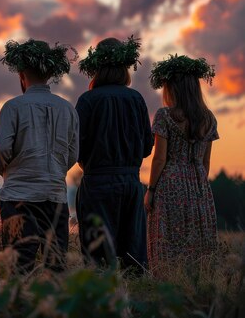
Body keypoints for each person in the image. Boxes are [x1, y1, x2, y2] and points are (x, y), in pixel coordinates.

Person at [0, 39, 79, 274]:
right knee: (56, 270)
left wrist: (7, 171)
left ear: (22, 75)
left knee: (18, 271)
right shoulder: (67, 109)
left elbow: (3, 149)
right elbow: (73, 154)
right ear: (50, 73)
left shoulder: (12, 108)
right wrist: (55, 171)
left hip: (18, 197)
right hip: (55, 198)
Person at [75, 36, 153, 271]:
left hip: (96, 184)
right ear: (124, 66)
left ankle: (101, 304)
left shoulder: (87, 100)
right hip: (131, 184)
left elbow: (75, 146)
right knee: (134, 261)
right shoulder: (136, 99)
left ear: (96, 67)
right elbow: (147, 146)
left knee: (97, 261)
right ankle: (135, 306)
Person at [145, 55, 219, 273]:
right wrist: (197, 184)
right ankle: (195, 280)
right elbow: (206, 161)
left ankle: (168, 279)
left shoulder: (164, 116)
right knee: (196, 237)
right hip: (198, 183)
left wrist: (150, 189)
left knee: (168, 236)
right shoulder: (209, 118)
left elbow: (159, 158)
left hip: (170, 182)